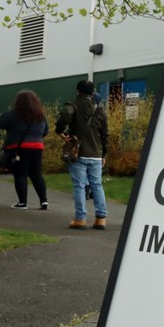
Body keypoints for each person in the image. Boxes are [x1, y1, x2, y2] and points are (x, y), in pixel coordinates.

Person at [55, 79, 109, 230]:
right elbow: (105, 134)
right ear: (93, 92)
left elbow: (66, 114)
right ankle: (101, 218)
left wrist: (60, 131)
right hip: (96, 153)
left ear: (78, 91)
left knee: (79, 186)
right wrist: (104, 155)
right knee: (97, 185)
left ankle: (80, 219)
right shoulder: (99, 109)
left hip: (78, 152)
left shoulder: (73, 104)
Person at [0, 90, 50, 210]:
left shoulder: (13, 114)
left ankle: (22, 202)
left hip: (18, 148)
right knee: (36, 174)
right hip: (37, 147)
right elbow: (46, 130)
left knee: (20, 174)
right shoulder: (40, 115)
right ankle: (44, 200)